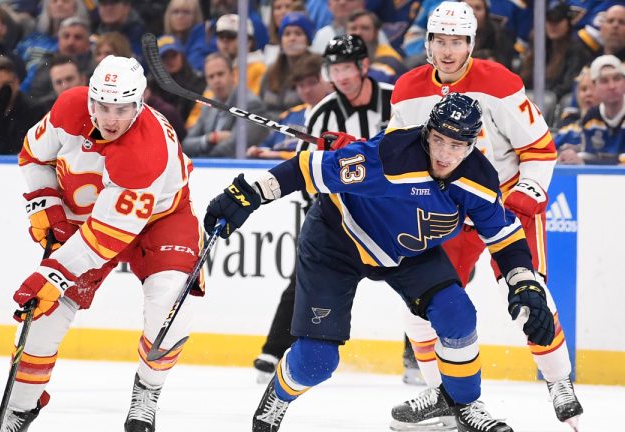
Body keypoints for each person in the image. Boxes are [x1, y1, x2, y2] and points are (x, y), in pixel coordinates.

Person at [205, 92, 556, 432]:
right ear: (426, 132)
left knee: (457, 314)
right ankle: (277, 398)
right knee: (316, 361)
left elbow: (504, 235)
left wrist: (522, 279)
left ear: (473, 144)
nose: (445, 155)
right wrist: (249, 193)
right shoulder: (390, 156)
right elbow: (305, 168)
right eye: (438, 140)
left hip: (409, 252)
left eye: (456, 145)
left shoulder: (479, 179)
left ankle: (462, 406)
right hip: (337, 240)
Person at [0, 55, 203, 432]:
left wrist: (50, 275)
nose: (111, 119)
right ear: (90, 99)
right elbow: (33, 156)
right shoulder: (68, 107)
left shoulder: (145, 152)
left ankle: (147, 391)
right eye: (103, 107)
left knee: (169, 309)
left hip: (161, 220)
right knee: (44, 316)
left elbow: (107, 238)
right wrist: (45, 207)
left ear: (139, 104)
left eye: (123, 109)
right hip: (92, 218)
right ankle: (20, 408)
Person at [386, 2, 583, 430]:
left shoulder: (499, 82)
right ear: (428, 42)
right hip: (450, 207)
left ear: (471, 44)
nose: (448, 50)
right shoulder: (406, 89)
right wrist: (352, 152)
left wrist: (529, 192)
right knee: (419, 305)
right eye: (440, 40)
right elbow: (393, 153)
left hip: (504, 203)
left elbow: (540, 148)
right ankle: (443, 394)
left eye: (457, 41)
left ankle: (558, 382)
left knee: (530, 299)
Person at [251, 33, 395, 382]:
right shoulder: (322, 113)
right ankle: (274, 351)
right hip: (338, 214)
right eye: (335, 68)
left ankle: (414, 355)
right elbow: (307, 171)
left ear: (363, 65)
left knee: (418, 277)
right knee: (302, 275)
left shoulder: (396, 101)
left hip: (391, 211)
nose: (342, 75)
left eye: (348, 67)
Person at [182, 53, 268, 157]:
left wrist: (204, 153)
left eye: (220, 74)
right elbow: (186, 144)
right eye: (211, 77)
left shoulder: (250, 104)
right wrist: (211, 138)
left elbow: (235, 146)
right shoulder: (208, 106)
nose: (216, 80)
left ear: (233, 75)